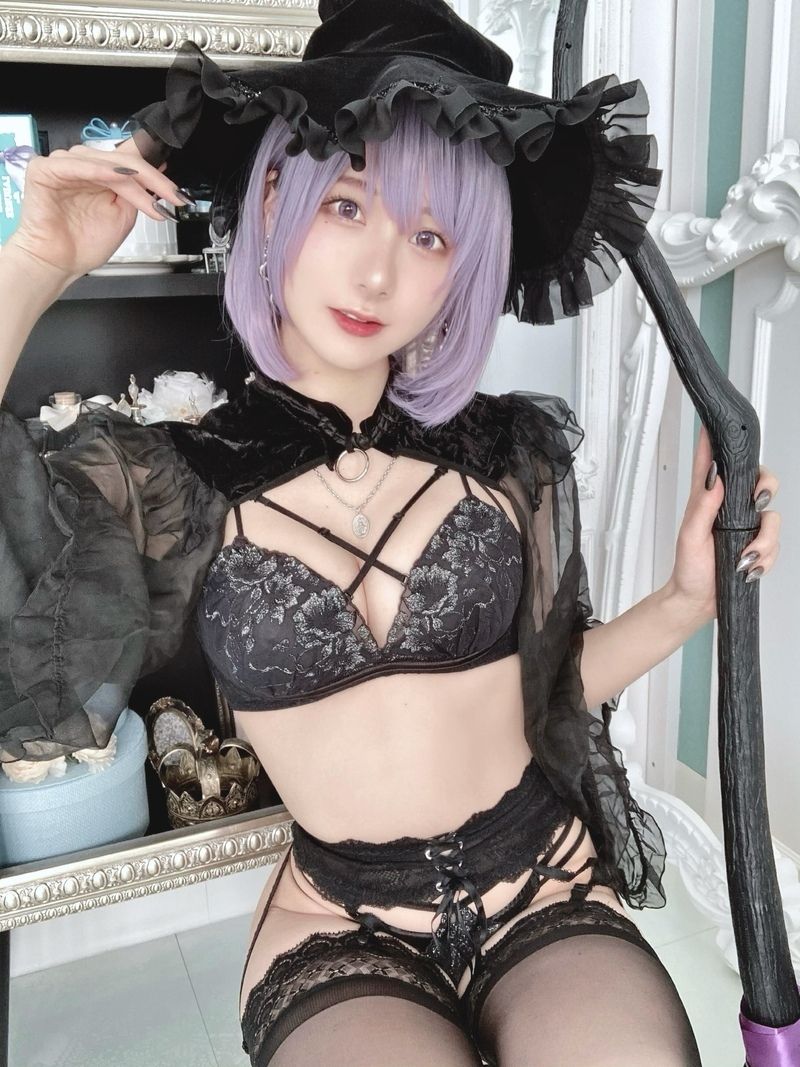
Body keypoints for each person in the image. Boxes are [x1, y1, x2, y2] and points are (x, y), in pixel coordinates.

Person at [0, 2, 782, 1064]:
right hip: (340, 921)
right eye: (346, 203)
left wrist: (687, 598)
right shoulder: (171, 480)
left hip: (541, 877)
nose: (378, 275)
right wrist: (34, 262)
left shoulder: (506, 452)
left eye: (428, 235)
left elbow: (542, 691)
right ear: (272, 196)